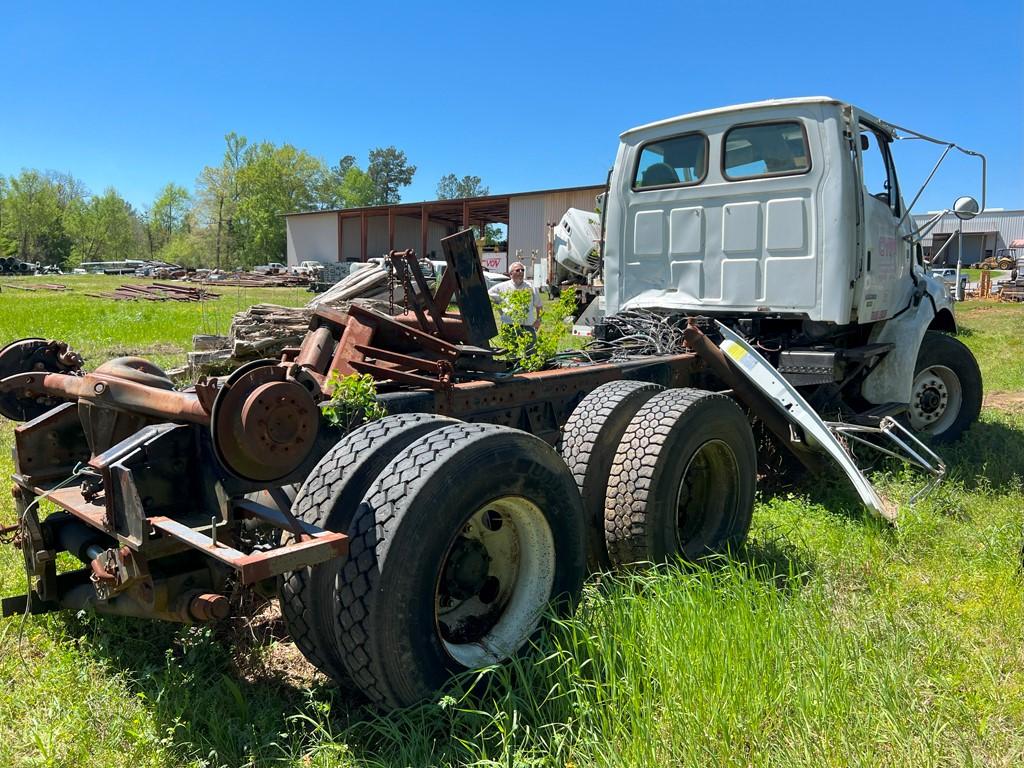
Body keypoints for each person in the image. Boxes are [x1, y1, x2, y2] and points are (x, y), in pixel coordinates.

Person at [488, 262, 543, 343]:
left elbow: (539, 306)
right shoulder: (501, 287)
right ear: (510, 274)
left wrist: (539, 320)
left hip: (527, 327)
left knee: (530, 353)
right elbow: (488, 296)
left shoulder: (530, 287)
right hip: (509, 327)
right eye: (517, 270)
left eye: (522, 270)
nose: (521, 272)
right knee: (511, 354)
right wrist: (500, 310)